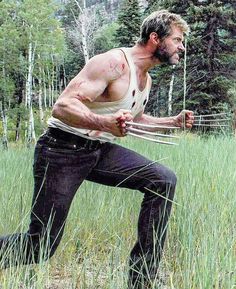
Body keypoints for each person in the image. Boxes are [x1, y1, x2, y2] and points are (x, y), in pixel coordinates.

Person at [0, 10, 194, 289]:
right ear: (155, 39)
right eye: (177, 39)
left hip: (97, 150)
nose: (181, 47)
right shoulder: (113, 63)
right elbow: (63, 106)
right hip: (61, 150)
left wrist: (172, 122)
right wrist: (104, 122)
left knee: (162, 179)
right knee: (40, 243)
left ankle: (142, 280)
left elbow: (133, 120)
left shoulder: (145, 79)